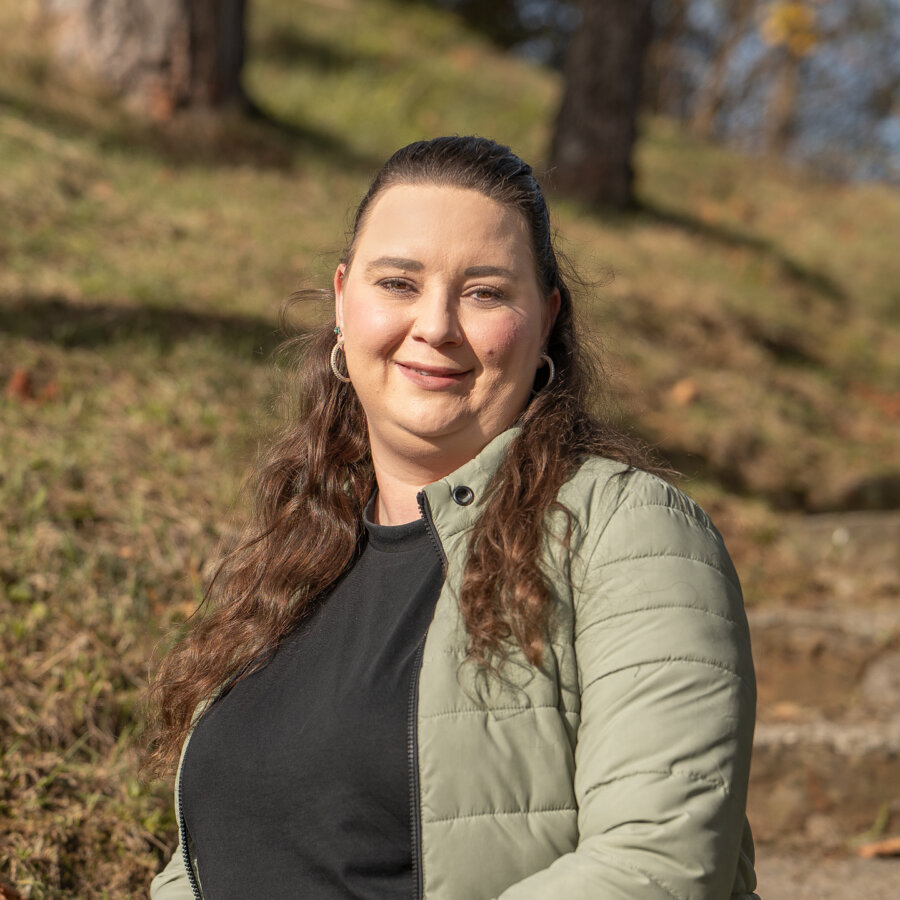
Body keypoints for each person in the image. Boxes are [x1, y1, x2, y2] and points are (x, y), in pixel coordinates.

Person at [146, 136, 758, 899]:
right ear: (343, 301)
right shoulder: (290, 560)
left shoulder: (628, 533)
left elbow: (656, 865)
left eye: (485, 292)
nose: (435, 325)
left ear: (545, 321)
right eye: (398, 282)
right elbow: (197, 863)